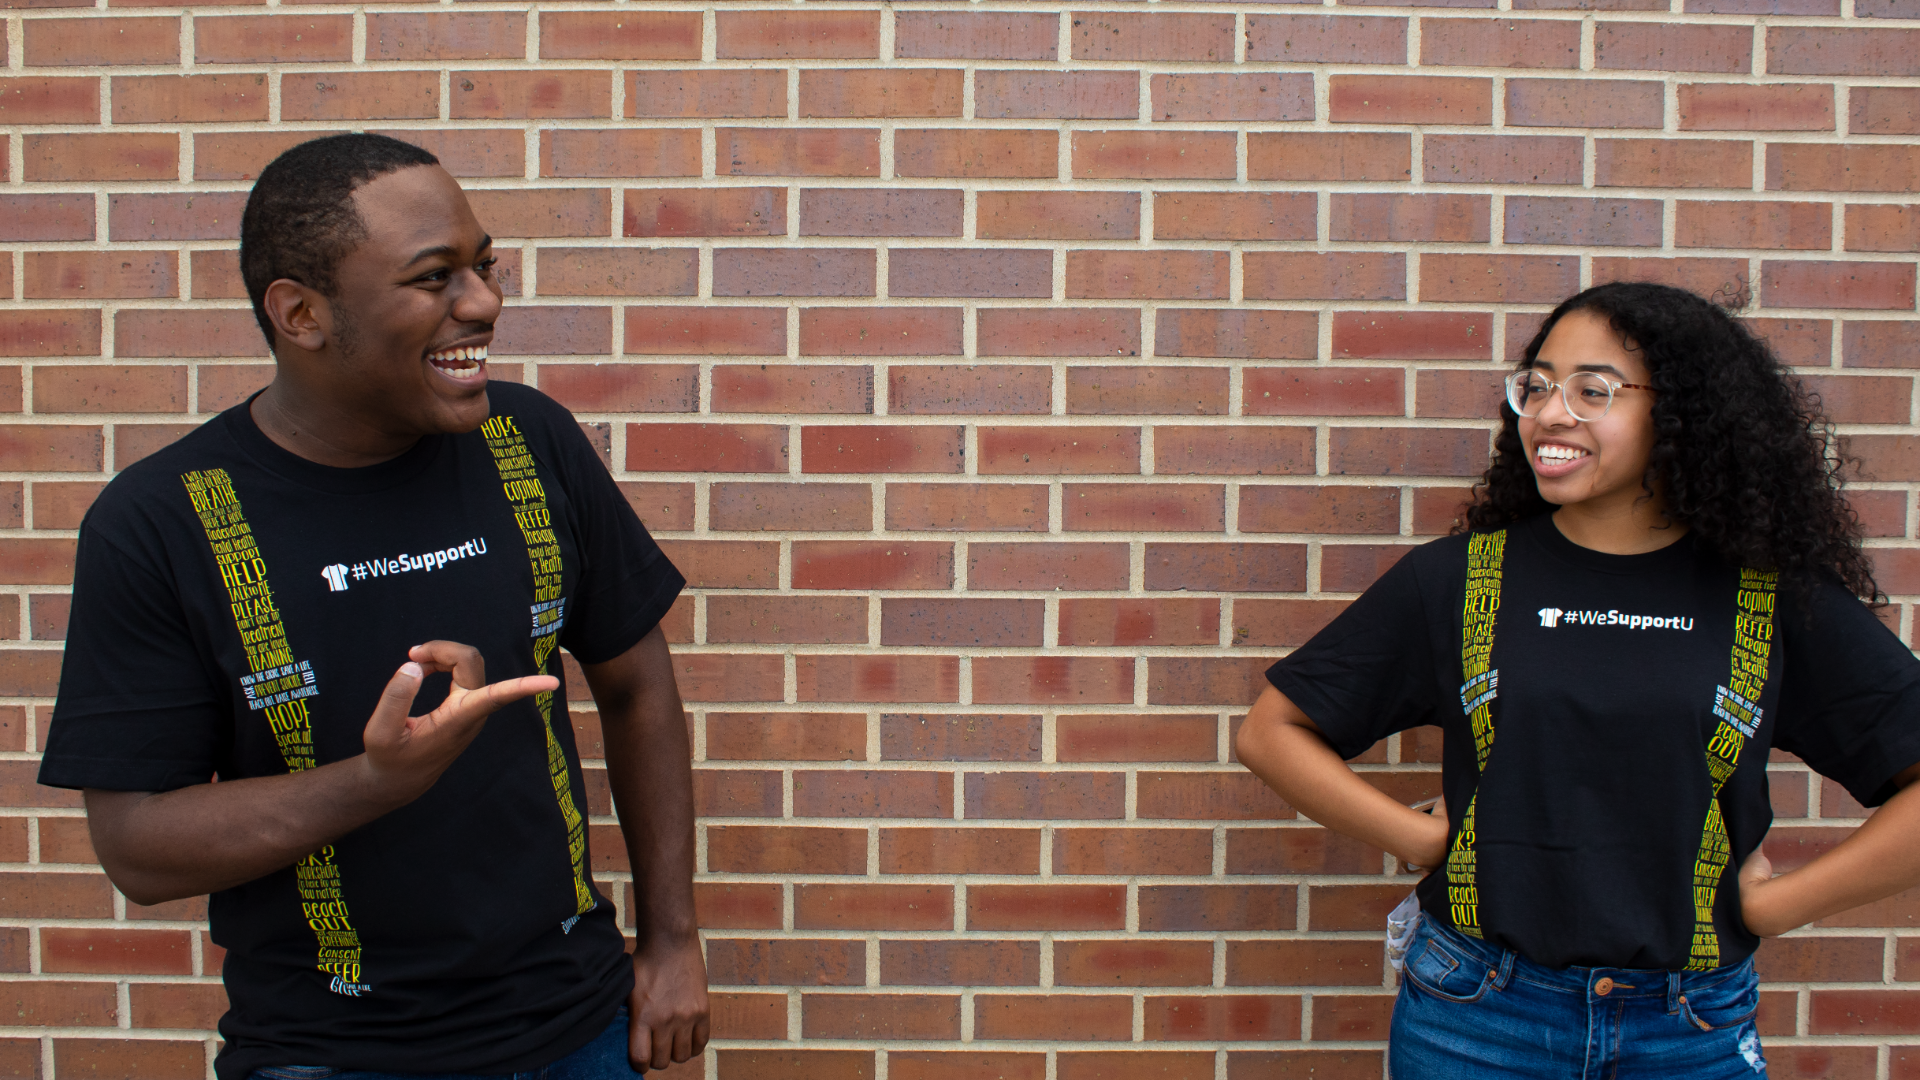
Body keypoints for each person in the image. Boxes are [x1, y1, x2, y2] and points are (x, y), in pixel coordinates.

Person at [36, 134, 708, 1079]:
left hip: (580, 1030)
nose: (483, 303)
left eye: (485, 265)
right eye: (434, 278)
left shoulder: (531, 441)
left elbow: (638, 688)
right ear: (302, 313)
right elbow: (138, 850)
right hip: (331, 1054)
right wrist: (377, 781)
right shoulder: (164, 521)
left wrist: (674, 940)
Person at [1236, 281, 1920, 1078]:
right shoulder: (1459, 580)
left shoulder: (1768, 600)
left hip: (1688, 1030)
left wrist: (1779, 903)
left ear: (1685, 414)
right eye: (1537, 385)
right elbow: (1272, 731)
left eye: (1593, 390)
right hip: (1476, 1017)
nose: (1551, 413)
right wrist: (1420, 836)